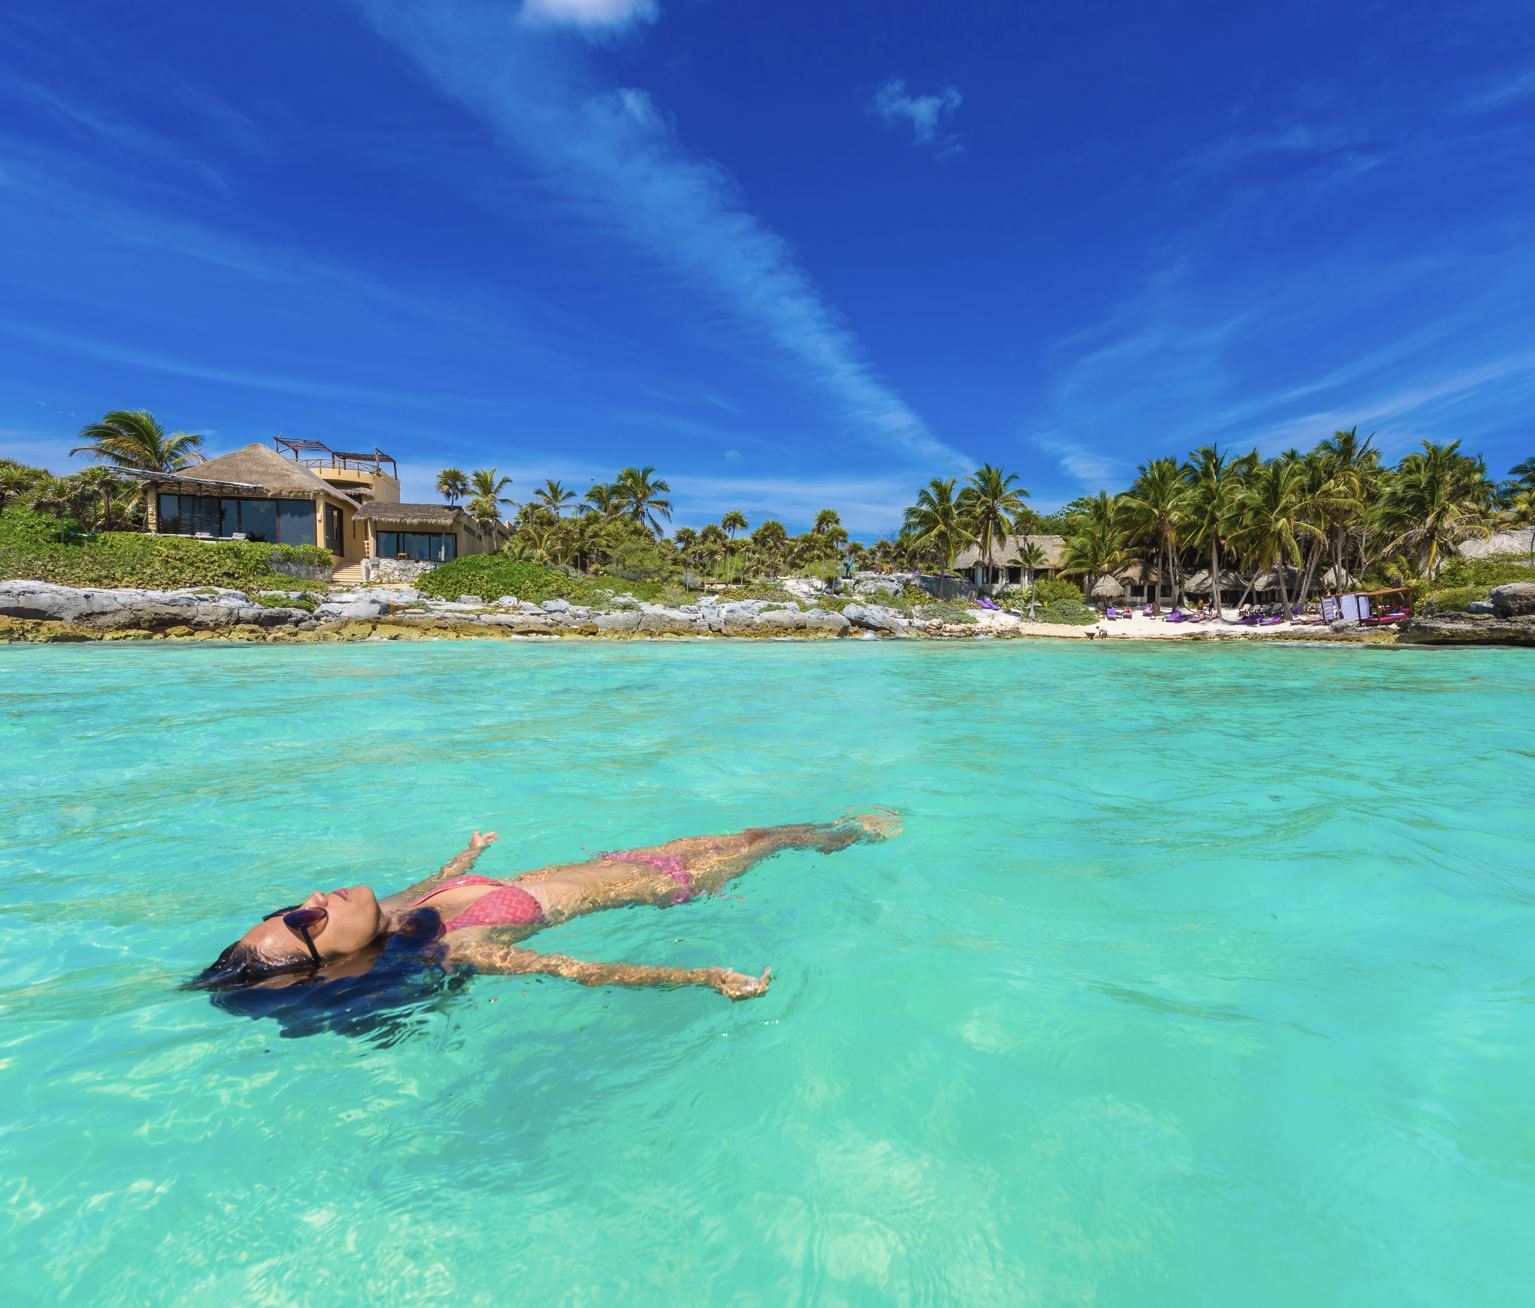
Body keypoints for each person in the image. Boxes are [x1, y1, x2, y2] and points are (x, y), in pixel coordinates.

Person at [190, 814, 901, 1007]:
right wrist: (704, 977)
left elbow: (438, 878)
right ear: (336, 964)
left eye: (292, 906)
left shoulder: (402, 910)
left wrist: (467, 855)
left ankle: (850, 827)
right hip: (666, 883)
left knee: (759, 829)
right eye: (304, 923)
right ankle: (864, 835)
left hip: (626, 858)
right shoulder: (458, 949)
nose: (314, 901)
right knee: (771, 841)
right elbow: (575, 969)